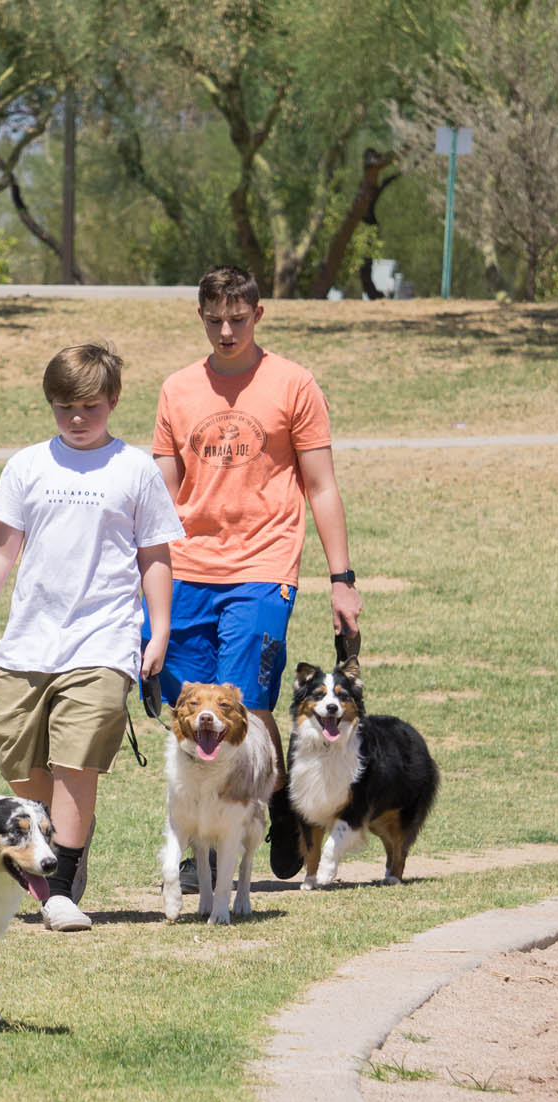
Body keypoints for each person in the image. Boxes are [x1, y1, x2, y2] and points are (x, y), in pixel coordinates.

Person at [0, 343, 184, 931]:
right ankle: (59, 838)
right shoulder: (28, 465)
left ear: (113, 401)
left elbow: (155, 554)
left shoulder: (134, 469)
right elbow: (1, 548)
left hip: (104, 638)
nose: (77, 419)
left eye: (90, 407)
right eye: (63, 408)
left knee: (77, 761)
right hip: (30, 640)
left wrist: (159, 631)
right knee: (17, 754)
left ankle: (58, 891)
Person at [144, 264, 362, 882]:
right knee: (193, 708)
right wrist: (139, 573)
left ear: (258, 315)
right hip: (186, 568)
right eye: (214, 320)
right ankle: (207, 843)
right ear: (200, 317)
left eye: (238, 319)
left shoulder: (293, 384)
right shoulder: (177, 390)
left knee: (246, 699)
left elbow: (320, 487)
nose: (226, 330)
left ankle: (264, 817)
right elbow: (161, 495)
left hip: (263, 566)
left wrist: (341, 578)